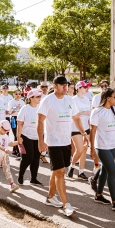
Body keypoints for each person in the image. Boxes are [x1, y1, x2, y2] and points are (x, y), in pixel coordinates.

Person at [37, 75, 88, 217]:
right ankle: (66, 204)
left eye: (67, 85)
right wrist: (41, 141)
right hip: (53, 142)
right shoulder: (48, 101)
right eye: (62, 85)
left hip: (66, 141)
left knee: (56, 171)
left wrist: (84, 134)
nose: (66, 88)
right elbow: (40, 121)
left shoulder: (70, 100)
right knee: (60, 173)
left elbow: (76, 118)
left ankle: (50, 197)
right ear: (55, 86)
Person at [89, 88, 115, 211]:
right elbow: (93, 130)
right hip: (102, 146)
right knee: (112, 171)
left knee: (105, 170)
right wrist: (91, 148)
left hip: (112, 146)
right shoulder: (97, 112)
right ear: (108, 98)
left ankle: (99, 195)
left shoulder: (114, 110)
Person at [16, 89, 43, 185]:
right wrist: (18, 137)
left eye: (40, 96)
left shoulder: (41, 108)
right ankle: (20, 175)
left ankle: (33, 178)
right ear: (31, 98)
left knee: (36, 158)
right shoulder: (25, 109)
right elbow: (19, 124)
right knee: (28, 158)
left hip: (37, 137)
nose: (40, 98)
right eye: (37, 97)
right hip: (26, 136)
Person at [68, 81, 92, 180]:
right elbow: (72, 115)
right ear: (78, 88)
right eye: (84, 87)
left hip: (86, 127)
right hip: (75, 128)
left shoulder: (87, 99)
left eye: (87, 87)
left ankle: (81, 172)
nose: (87, 89)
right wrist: (82, 113)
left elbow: (89, 114)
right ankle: (72, 166)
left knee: (84, 150)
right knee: (80, 149)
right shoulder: (73, 100)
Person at [0, 120, 20, 192]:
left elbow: (11, 143)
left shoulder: (5, 135)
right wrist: (4, 149)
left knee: (7, 170)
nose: (6, 132)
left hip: (5, 156)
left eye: (8, 130)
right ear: (0, 128)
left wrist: (18, 142)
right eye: (5, 130)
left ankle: (12, 184)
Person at [7, 89, 25, 154]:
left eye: (19, 94)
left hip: (21, 119)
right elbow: (10, 112)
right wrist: (16, 108)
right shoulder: (11, 102)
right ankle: (18, 151)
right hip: (13, 119)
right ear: (13, 94)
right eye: (16, 94)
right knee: (16, 134)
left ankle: (15, 150)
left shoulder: (22, 102)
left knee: (20, 134)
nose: (18, 95)